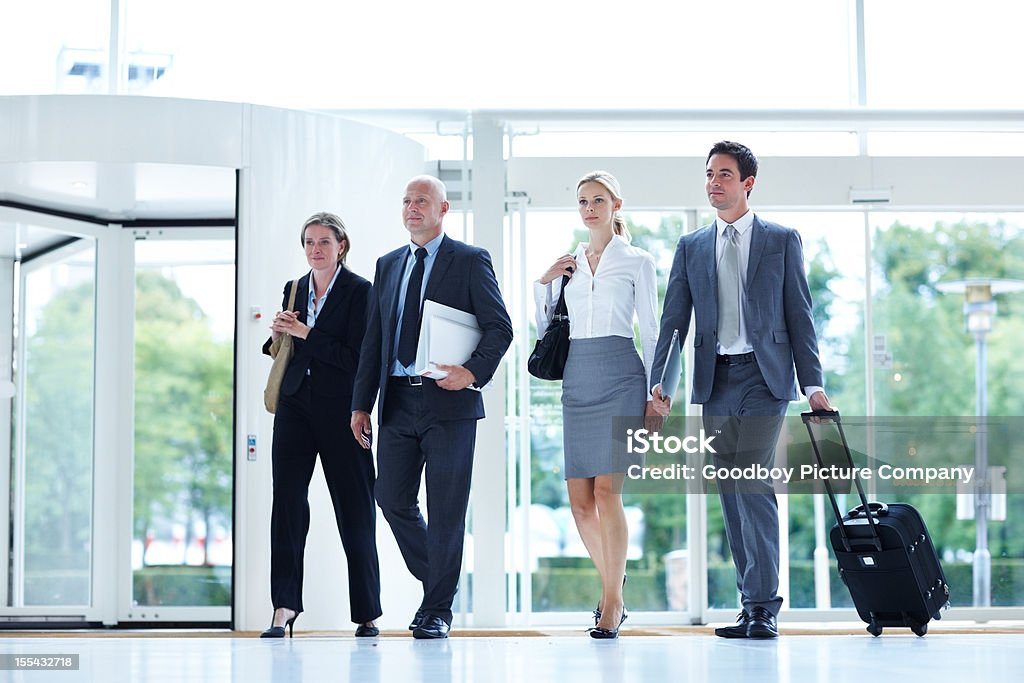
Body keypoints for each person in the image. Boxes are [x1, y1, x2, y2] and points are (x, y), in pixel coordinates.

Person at [650, 141, 833, 639]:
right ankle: (750, 604)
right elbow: (673, 324)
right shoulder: (690, 247)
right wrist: (658, 386)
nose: (714, 182)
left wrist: (813, 383)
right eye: (709, 174)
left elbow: (801, 315)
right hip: (715, 379)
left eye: (724, 174)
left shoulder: (781, 239)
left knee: (750, 480)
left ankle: (764, 606)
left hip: (765, 377)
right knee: (730, 490)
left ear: (747, 183)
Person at [350, 175, 513, 640]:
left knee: (446, 509)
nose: (412, 207)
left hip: (450, 402)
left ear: (443, 210)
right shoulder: (387, 265)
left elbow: (500, 328)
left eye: (422, 201)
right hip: (398, 400)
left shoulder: (469, 260)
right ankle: (440, 584)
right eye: (406, 201)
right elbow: (374, 340)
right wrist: (361, 403)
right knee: (391, 497)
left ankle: (437, 609)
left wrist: (471, 372)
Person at [534, 171, 659, 639]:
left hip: (622, 375)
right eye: (583, 201)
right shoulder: (570, 265)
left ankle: (610, 603)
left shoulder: (637, 261)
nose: (589, 208)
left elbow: (652, 327)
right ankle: (616, 589)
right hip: (578, 378)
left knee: (608, 492)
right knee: (579, 501)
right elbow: (545, 326)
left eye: (598, 200)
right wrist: (545, 281)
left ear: (616, 204)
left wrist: (657, 393)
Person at [260, 211, 381, 639]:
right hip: (295, 405)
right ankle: (284, 606)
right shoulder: (294, 289)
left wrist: (308, 334)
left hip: (343, 409)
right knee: (287, 505)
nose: (316, 249)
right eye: (309, 242)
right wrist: (279, 332)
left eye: (324, 242)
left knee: (355, 508)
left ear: (341, 246)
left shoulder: (362, 291)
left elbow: (359, 359)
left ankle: (367, 613)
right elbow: (284, 348)